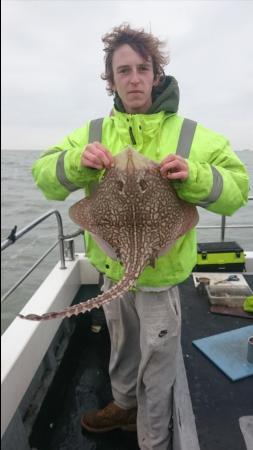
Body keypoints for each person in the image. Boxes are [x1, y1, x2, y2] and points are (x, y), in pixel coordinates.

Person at [32, 24, 249, 450]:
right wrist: (77, 162)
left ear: (156, 74)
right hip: (114, 273)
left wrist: (195, 175)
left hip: (162, 276)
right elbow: (45, 177)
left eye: (142, 69)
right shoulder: (92, 132)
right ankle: (122, 406)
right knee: (123, 348)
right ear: (111, 80)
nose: (133, 78)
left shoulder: (193, 135)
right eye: (123, 70)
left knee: (159, 364)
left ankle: (152, 438)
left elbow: (238, 190)